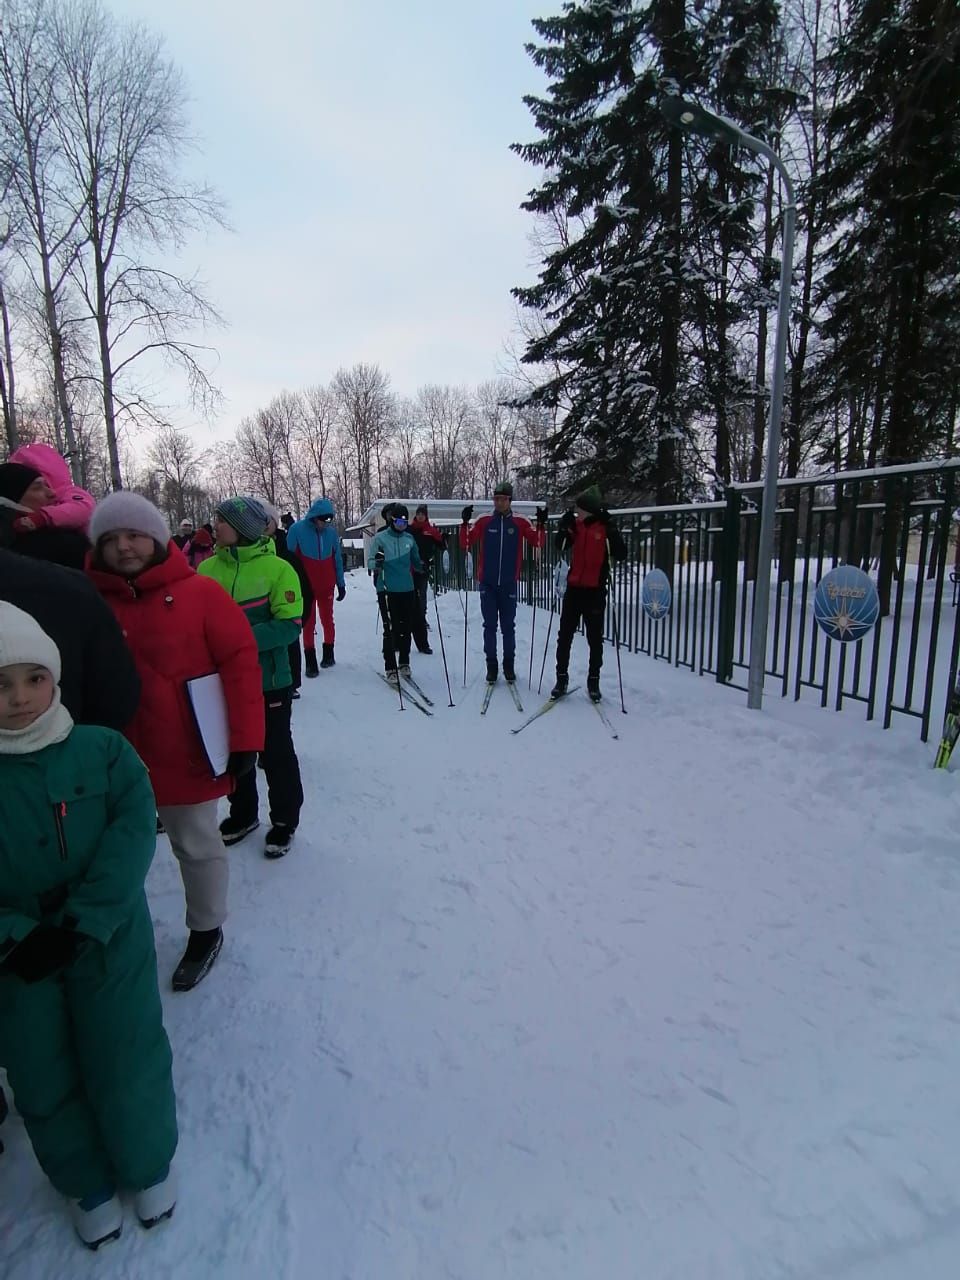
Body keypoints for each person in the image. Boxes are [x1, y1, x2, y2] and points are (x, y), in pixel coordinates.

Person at [0, 604, 178, 1249]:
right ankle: (84, 1181)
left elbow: (133, 828)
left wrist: (91, 915)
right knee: (40, 1069)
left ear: (54, 679)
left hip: (108, 935)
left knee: (124, 1049)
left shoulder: (101, 749)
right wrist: (16, 935)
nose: (19, 698)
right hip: (19, 958)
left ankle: (146, 1160)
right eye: (0, 684)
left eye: (32, 679)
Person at [86, 492, 265, 990]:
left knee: (194, 841)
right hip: (112, 754)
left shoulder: (199, 593)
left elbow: (240, 662)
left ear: (157, 538)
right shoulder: (86, 598)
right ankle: (113, 934)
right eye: (112, 538)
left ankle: (206, 929)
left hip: (183, 745)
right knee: (112, 851)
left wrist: (247, 739)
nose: (124, 546)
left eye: (135, 535)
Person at [199, 497, 304, 858]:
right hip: (222, 683)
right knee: (234, 750)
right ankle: (243, 814)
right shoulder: (207, 569)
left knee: (275, 752)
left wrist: (236, 641)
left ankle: (284, 820)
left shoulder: (278, 569)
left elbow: (289, 625)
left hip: (269, 681)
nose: (215, 524)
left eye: (222, 519)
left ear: (242, 528)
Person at [0, 547, 139, 730]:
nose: (21, 699)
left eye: (35, 680)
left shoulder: (66, 587)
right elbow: (116, 696)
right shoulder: (71, 585)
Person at [460, 481, 546, 684]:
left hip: (508, 584)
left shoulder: (520, 522)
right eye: (496, 499)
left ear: (509, 501)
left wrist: (541, 525)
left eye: (503, 499)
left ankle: (509, 664)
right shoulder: (484, 521)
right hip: (487, 584)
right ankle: (491, 665)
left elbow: (538, 542)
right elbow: (465, 543)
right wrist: (464, 523)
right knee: (489, 626)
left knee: (508, 627)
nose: (499, 502)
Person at [551, 486, 627, 702]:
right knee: (564, 636)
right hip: (574, 590)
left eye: (579, 508)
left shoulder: (604, 528)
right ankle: (561, 678)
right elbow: (561, 545)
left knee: (595, 639)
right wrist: (563, 528)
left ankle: (593, 681)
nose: (577, 511)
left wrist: (613, 532)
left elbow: (621, 554)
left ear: (588, 509)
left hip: (594, 590)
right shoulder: (577, 526)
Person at [256, 499, 312, 696]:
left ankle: (292, 683)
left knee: (288, 645)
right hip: (259, 618)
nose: (262, 526)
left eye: (266, 521)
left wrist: (301, 618)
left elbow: (305, 588)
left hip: (286, 615)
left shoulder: (287, 556)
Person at [286, 497, 346, 674]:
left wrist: (340, 583)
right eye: (323, 519)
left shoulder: (331, 533)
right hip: (306, 586)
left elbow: (337, 559)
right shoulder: (297, 530)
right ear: (314, 516)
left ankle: (329, 653)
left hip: (326, 584)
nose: (325, 524)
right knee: (308, 622)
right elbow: (288, 560)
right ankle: (310, 660)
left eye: (329, 520)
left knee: (328, 620)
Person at [0, 457, 91, 570]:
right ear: (13, 497)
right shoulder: (63, 546)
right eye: (37, 488)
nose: (52, 493)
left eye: (47, 485)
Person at [367, 504, 424, 681]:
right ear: (392, 520)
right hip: (387, 589)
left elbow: (416, 561)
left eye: (405, 522)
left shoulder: (409, 538)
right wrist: (377, 561)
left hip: (407, 588)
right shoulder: (381, 538)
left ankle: (404, 662)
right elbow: (369, 562)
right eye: (399, 521)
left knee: (407, 627)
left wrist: (425, 565)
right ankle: (390, 666)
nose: (402, 525)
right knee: (390, 628)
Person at [408, 504, 445, 654]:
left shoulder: (430, 530)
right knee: (409, 598)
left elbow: (441, 545)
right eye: (418, 514)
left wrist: (442, 539)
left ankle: (421, 620)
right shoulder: (410, 530)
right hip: (408, 569)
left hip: (423, 569)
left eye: (423, 514)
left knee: (421, 598)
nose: (420, 516)